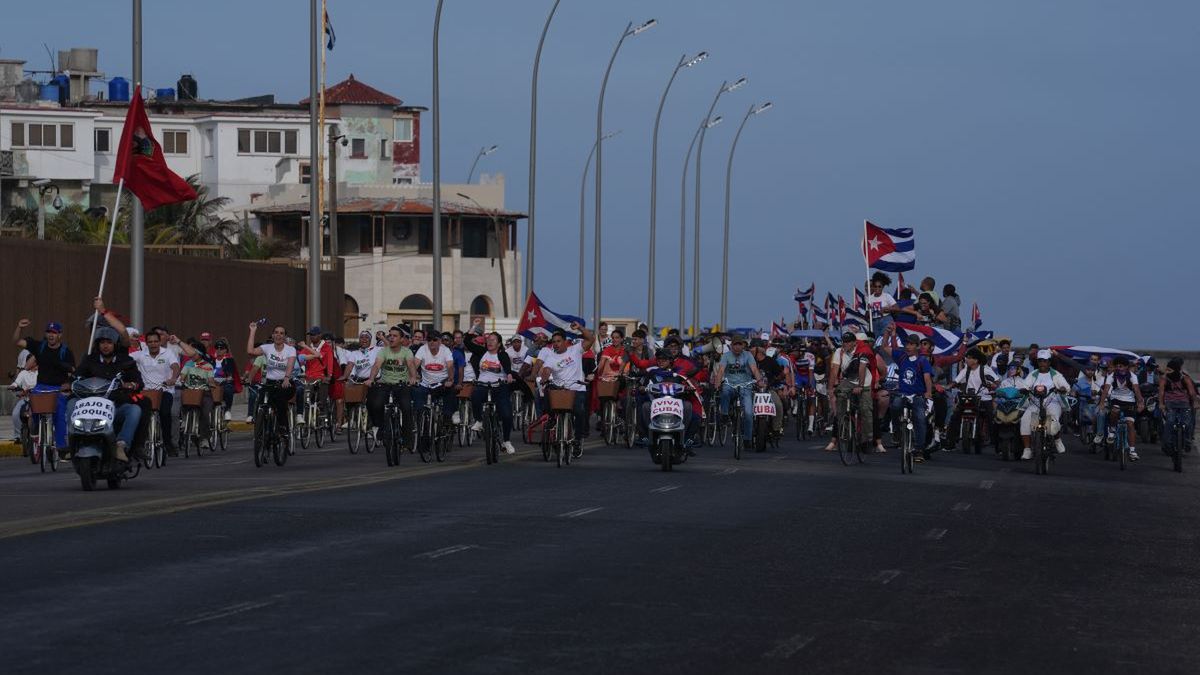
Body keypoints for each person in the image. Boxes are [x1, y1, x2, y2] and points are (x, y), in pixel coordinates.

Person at [71, 326, 144, 462]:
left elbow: (139, 381)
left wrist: (131, 384)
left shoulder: (126, 361)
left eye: (109, 342)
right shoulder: (89, 360)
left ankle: (121, 445)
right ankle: (71, 441)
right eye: (102, 342)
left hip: (115, 405)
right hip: (90, 407)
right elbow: (77, 375)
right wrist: (71, 381)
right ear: (97, 344)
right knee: (71, 403)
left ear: (115, 344)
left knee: (134, 410)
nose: (105, 346)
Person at [12, 317, 76, 450]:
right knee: (33, 408)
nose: (51, 335)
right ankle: (34, 433)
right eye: (49, 332)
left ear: (60, 335)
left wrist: (68, 383)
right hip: (41, 386)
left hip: (58, 388)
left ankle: (61, 447)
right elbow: (17, 342)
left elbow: (73, 371)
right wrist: (19, 327)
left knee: (59, 414)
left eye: (54, 332)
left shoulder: (66, 351)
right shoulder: (39, 346)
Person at [537, 324, 596, 454]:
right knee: (547, 393)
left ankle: (578, 440)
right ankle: (552, 420)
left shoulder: (575, 350)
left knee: (579, 411)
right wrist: (544, 378)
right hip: (559, 389)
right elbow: (546, 370)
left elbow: (591, 339)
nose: (556, 344)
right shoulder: (551, 357)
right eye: (554, 342)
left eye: (559, 341)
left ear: (565, 341)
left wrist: (580, 327)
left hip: (577, 388)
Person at [464, 331, 516, 454]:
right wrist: (472, 330)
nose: (490, 342)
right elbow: (467, 342)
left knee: (507, 414)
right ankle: (479, 421)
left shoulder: (502, 354)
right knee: (475, 395)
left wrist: (508, 374)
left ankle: (507, 441)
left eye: (493, 340)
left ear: (498, 344)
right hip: (483, 385)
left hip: (499, 386)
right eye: (489, 339)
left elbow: (506, 365)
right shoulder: (482, 352)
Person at [825, 331, 876, 452]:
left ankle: (867, 439)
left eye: (848, 342)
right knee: (840, 394)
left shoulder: (862, 351)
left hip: (864, 381)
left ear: (854, 343)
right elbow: (834, 370)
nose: (845, 344)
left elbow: (862, 369)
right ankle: (844, 423)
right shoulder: (839, 351)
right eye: (844, 342)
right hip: (849, 381)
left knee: (865, 409)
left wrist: (860, 386)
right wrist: (831, 389)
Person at [365, 326, 416, 446]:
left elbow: (411, 365)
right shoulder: (383, 351)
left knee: (406, 408)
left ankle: (407, 438)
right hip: (385, 384)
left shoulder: (406, 352)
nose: (391, 338)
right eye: (390, 336)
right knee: (376, 405)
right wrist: (371, 379)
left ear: (401, 339)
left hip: (402, 385)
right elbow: (376, 366)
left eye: (395, 336)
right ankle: (381, 428)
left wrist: (413, 377)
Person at [132, 330, 181, 456]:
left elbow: (175, 366)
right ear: (146, 343)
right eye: (150, 342)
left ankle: (167, 442)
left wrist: (173, 378)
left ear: (159, 342)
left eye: (155, 341)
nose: (153, 344)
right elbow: (124, 360)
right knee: (139, 415)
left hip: (164, 389)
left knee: (165, 413)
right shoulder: (140, 355)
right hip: (147, 392)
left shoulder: (168, 353)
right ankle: (139, 446)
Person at [712, 334, 765, 446]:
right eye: (735, 344)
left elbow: (754, 369)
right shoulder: (726, 356)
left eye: (739, 344)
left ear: (743, 345)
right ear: (731, 346)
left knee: (749, 413)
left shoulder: (748, 355)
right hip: (729, 384)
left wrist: (759, 380)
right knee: (725, 392)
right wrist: (717, 383)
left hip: (746, 385)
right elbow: (721, 371)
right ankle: (725, 414)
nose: (737, 347)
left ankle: (747, 438)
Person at [888, 334, 935, 460]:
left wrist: (928, 393)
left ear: (918, 346)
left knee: (920, 419)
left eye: (912, 344)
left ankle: (919, 449)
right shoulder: (902, 357)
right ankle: (897, 432)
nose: (908, 346)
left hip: (918, 395)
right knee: (895, 406)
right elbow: (885, 348)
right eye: (907, 344)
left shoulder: (922, 361)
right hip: (902, 393)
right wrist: (889, 334)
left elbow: (927, 378)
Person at [246, 323, 296, 438]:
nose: (279, 335)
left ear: (285, 337)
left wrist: (287, 378)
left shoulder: (290, 350)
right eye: (276, 333)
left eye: (281, 333)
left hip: (285, 383)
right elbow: (250, 351)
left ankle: (283, 427)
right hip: (270, 383)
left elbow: (290, 365)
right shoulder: (267, 348)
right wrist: (252, 331)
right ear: (273, 335)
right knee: (260, 400)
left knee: (280, 400)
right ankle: (262, 427)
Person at [1019, 350, 1070, 460]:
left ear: (1049, 362)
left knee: (1053, 420)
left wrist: (1062, 388)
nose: (1042, 363)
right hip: (1035, 403)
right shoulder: (1033, 374)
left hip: (1052, 402)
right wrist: (1024, 389)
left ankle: (1057, 439)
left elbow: (1065, 386)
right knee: (1025, 420)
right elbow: (1025, 385)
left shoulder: (1056, 374)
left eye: (1045, 361)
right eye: (1040, 361)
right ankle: (1027, 449)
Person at [945, 348, 998, 449]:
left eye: (969, 358)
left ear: (976, 360)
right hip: (969, 398)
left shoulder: (985, 369)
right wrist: (947, 387)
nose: (966, 360)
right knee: (954, 417)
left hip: (984, 398)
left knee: (992, 419)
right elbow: (956, 381)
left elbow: (997, 381)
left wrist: (992, 386)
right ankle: (950, 443)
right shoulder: (966, 370)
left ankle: (997, 445)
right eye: (966, 358)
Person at [1096, 356, 1145, 461]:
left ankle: (1132, 451)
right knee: (1114, 411)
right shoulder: (1112, 376)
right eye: (1117, 366)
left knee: (1130, 424)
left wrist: (1140, 402)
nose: (1118, 368)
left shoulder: (1132, 376)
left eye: (1121, 366)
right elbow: (1106, 389)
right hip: (1116, 399)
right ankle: (1112, 430)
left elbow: (1136, 389)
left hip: (1129, 401)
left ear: (1127, 367)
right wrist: (1101, 403)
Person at [411, 331, 458, 425]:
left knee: (450, 392)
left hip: (442, 383)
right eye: (429, 340)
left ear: (440, 341)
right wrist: (412, 377)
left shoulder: (445, 350)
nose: (431, 342)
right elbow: (414, 364)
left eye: (435, 340)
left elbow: (450, 366)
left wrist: (450, 379)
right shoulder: (422, 349)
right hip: (426, 383)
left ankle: (447, 417)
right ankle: (420, 420)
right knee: (416, 394)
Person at [177, 339, 217, 444]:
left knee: (205, 413)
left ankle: (205, 438)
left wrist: (211, 384)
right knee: (183, 403)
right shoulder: (188, 364)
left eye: (194, 351)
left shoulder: (208, 366)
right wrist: (180, 380)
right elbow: (182, 376)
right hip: (190, 392)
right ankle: (185, 420)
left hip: (204, 393)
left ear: (200, 353)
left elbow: (211, 380)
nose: (191, 354)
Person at [297, 326, 335, 427]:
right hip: (309, 376)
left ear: (319, 335)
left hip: (322, 376)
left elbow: (326, 359)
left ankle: (322, 411)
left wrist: (330, 375)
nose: (312, 337)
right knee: (306, 400)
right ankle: (305, 425)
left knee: (322, 394)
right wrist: (301, 369)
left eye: (314, 335)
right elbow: (299, 359)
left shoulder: (326, 347)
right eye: (310, 335)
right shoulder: (308, 348)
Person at [1159, 358, 1197, 455]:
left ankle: (1188, 442)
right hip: (1170, 404)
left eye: (1169, 370)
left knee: (1187, 423)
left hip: (1184, 404)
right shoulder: (1164, 378)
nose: (1167, 372)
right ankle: (1167, 445)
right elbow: (1161, 392)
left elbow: (1192, 392)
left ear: (1176, 369)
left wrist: (1195, 403)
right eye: (1166, 370)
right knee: (1169, 422)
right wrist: (1161, 404)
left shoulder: (1185, 378)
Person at [9, 354, 37, 443]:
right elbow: (16, 383)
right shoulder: (23, 373)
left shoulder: (41, 372)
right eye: (27, 361)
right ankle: (18, 436)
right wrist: (13, 386)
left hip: (39, 400)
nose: (26, 363)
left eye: (29, 361)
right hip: (25, 399)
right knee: (15, 414)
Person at [867, 271, 900, 336]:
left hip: (885, 319)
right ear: (873, 287)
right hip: (874, 322)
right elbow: (867, 314)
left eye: (879, 286)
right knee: (876, 342)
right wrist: (869, 311)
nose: (877, 288)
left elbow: (897, 308)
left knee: (887, 339)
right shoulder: (869, 298)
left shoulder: (887, 296)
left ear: (883, 287)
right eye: (875, 286)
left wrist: (888, 309)